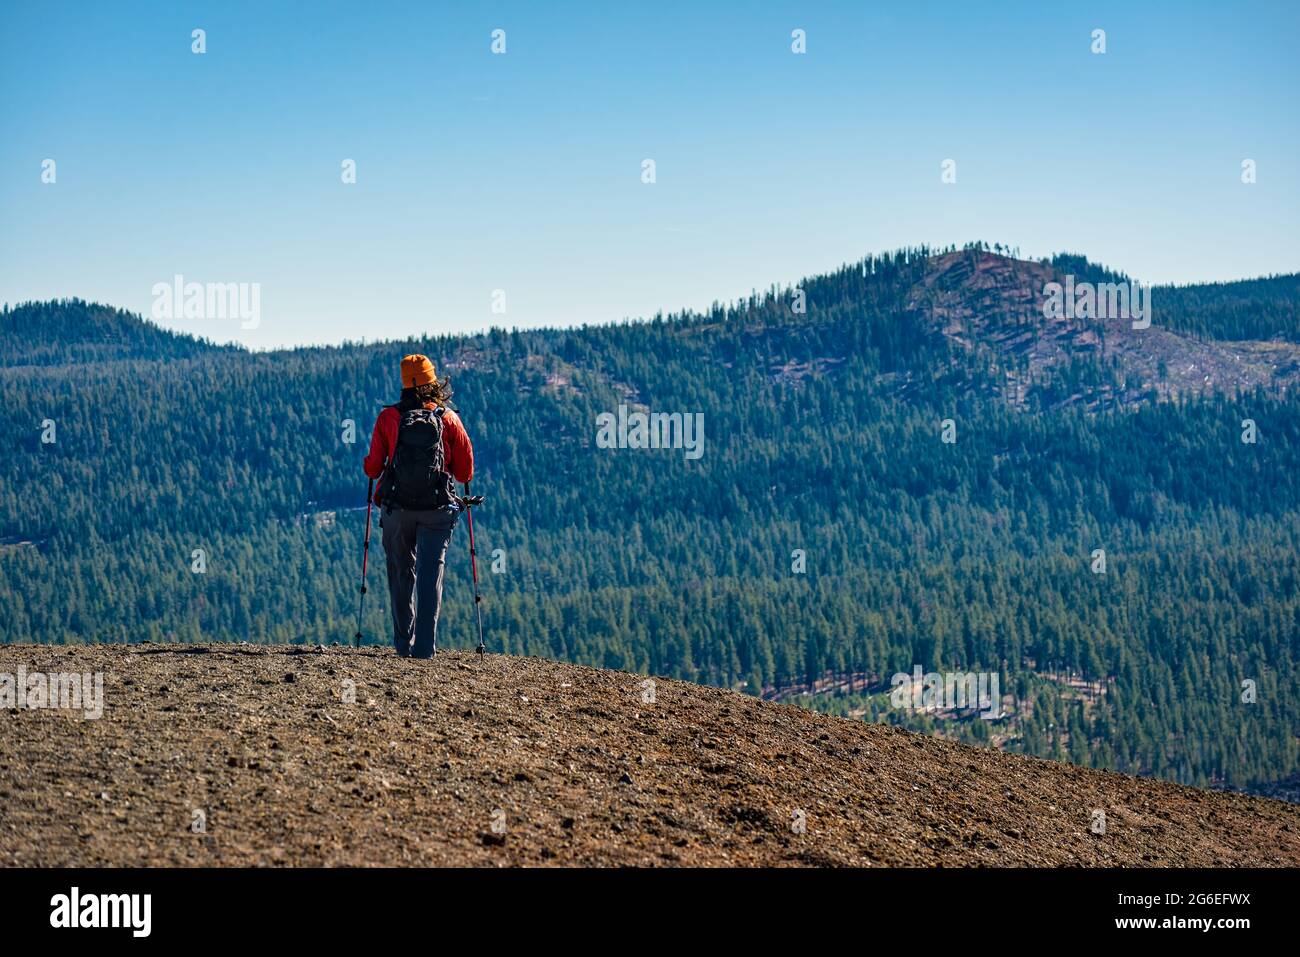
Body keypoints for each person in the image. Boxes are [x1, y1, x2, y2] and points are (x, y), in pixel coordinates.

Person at [363, 355, 474, 658]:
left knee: (401, 572)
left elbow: (373, 469)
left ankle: (402, 644)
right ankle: (424, 647)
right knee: (430, 572)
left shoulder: (388, 419)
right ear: (432, 381)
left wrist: (371, 464)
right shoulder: (447, 418)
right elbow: (465, 473)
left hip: (397, 508)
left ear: (403, 383)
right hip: (437, 509)